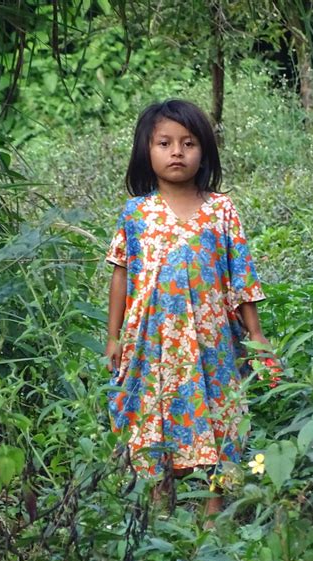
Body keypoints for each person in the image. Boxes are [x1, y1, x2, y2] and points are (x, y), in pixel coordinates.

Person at [105, 99, 271, 521]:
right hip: (152, 341)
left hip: (212, 339)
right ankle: (160, 513)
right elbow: (121, 275)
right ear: (147, 150)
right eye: (165, 142)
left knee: (220, 415)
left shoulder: (221, 210)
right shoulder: (136, 214)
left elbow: (242, 277)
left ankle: (215, 514)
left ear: (205, 152)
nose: (177, 151)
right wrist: (114, 336)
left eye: (188, 142)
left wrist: (256, 335)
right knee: (152, 416)